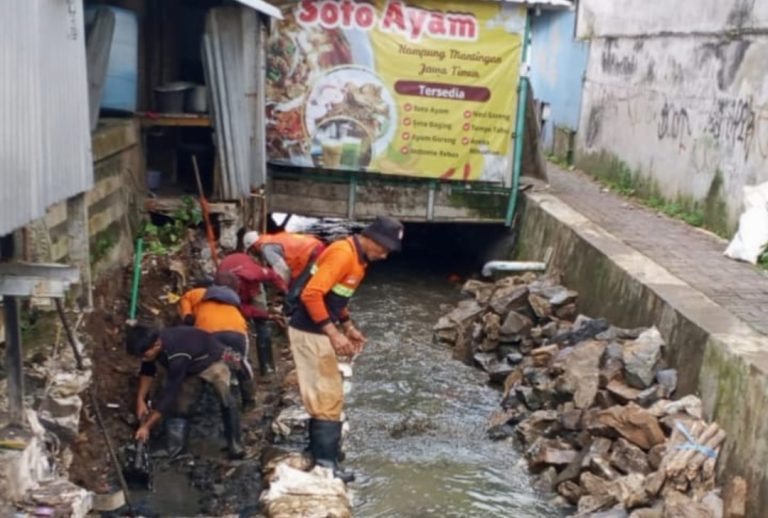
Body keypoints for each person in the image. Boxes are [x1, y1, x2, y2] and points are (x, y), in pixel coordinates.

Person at [289, 216, 403, 482]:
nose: (384, 256)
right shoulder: (342, 254)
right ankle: (326, 465)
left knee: (328, 395)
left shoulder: (358, 260)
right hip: (310, 331)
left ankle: (320, 454)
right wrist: (333, 333)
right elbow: (311, 294)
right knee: (327, 396)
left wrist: (348, 327)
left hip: (317, 330)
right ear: (372, 239)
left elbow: (336, 297)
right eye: (384, 249)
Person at [126, 325, 245, 459]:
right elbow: (147, 371)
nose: (142, 358)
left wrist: (147, 426)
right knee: (181, 403)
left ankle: (235, 444)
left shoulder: (177, 355)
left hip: (212, 360)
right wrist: (140, 400)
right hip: (190, 365)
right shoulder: (152, 346)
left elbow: (170, 392)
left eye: (144, 355)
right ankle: (176, 448)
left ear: (157, 345)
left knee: (225, 396)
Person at [178, 271, 255, 409]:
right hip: (235, 331)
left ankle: (213, 399)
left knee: (206, 363)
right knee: (238, 362)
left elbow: (187, 320)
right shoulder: (227, 297)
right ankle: (249, 400)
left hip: (210, 334)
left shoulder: (190, 295)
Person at [218, 250, 288, 376]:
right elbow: (245, 310)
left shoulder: (256, 273)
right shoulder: (227, 292)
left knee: (262, 325)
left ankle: (267, 367)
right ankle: (242, 367)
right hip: (237, 297)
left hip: (251, 280)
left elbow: (273, 276)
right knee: (239, 329)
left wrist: (286, 292)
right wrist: (268, 315)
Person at [242, 230, 326, 315]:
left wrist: (283, 290)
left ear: (253, 246)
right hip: (315, 248)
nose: (253, 254)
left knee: (293, 294)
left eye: (251, 251)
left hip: (313, 254)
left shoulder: (266, 248)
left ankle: (290, 317)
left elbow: (283, 270)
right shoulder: (272, 239)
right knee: (300, 285)